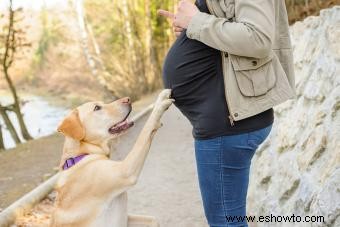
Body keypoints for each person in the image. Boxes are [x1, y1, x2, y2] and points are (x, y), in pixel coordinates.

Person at [159, 0, 296, 226]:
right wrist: (189, 29)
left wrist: (196, 20)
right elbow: (225, 30)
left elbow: (257, 38)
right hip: (223, 120)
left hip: (229, 122)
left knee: (225, 221)